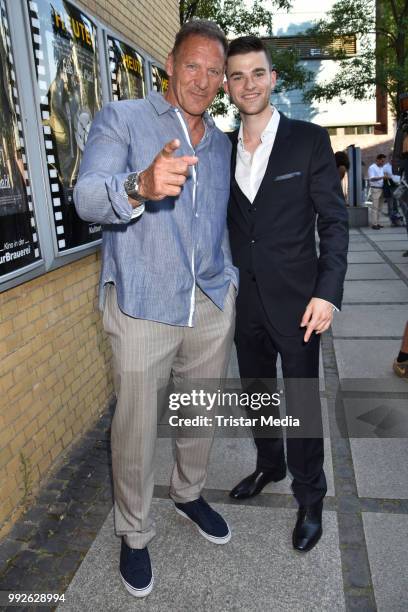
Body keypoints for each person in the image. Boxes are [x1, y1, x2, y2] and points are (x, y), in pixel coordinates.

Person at [74, 20, 238, 598]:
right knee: (137, 428)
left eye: (214, 70)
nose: (202, 79)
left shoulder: (220, 142)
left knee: (200, 413)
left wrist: (229, 282)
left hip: (209, 302)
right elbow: (87, 196)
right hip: (143, 302)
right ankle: (134, 534)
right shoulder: (123, 119)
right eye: (192, 65)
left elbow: (218, 224)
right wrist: (140, 186)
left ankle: (189, 495)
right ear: (169, 65)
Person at [224, 36, 348, 553]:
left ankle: (311, 495)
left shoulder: (308, 140)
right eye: (237, 76)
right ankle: (269, 466)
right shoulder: (218, 147)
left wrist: (328, 293)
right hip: (243, 302)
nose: (248, 84)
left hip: (300, 303)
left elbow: (334, 222)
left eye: (257, 73)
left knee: (301, 402)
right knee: (256, 396)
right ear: (227, 86)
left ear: (274, 79)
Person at [368, 153, 387, 229]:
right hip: (375, 188)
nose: (383, 162)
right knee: (375, 207)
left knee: (380, 207)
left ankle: (378, 222)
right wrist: (382, 177)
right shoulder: (372, 167)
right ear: (377, 160)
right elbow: (371, 178)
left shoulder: (382, 168)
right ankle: (374, 224)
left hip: (382, 188)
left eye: (384, 161)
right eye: (382, 161)